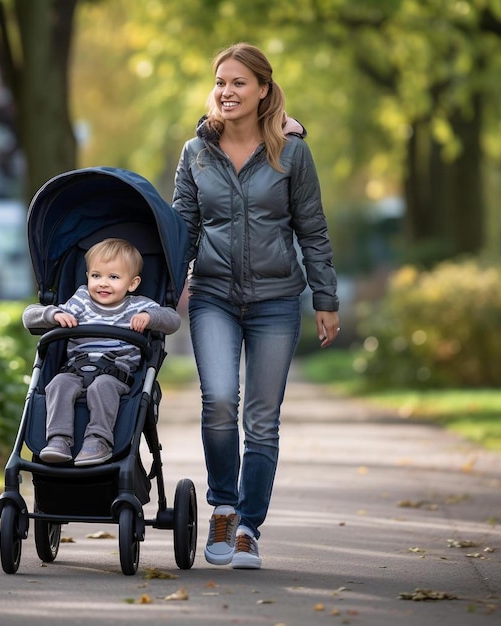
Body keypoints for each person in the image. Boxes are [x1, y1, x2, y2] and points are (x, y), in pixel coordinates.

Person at [172, 43, 340, 569]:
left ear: (263, 89)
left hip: (275, 301)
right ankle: (223, 506)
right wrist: (161, 293)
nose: (227, 92)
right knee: (220, 399)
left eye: (239, 82)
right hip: (214, 297)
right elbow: (182, 230)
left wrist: (325, 297)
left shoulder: (291, 154)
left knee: (262, 420)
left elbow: (312, 229)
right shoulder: (195, 153)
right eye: (221, 82)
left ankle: (248, 527)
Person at [22, 238, 181, 467]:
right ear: (87, 276)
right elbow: (29, 315)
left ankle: (98, 440)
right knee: (58, 384)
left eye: (114, 277)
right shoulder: (81, 300)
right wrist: (54, 316)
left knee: (102, 387)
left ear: (133, 283)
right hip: (75, 368)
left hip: (115, 373)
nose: (103, 283)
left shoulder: (138, 306)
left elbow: (173, 320)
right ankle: (58, 439)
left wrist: (150, 318)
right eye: (96, 276)